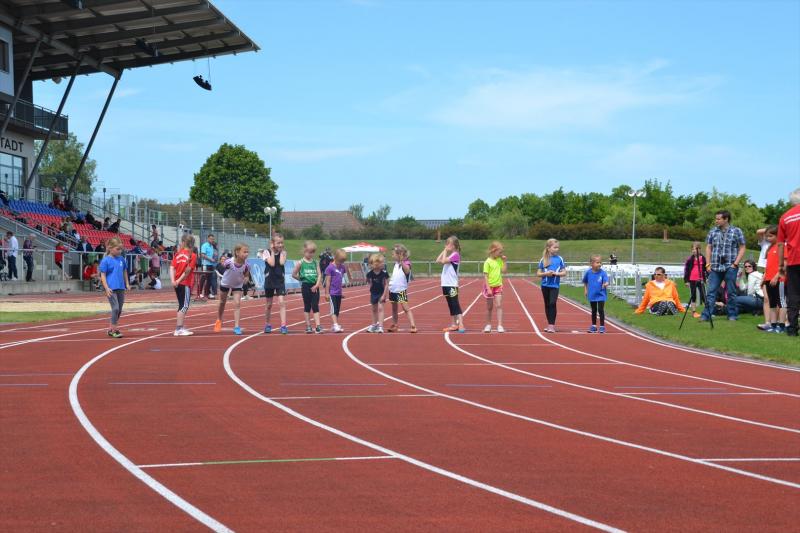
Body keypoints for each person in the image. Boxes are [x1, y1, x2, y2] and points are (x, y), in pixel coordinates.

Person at [701, 209, 746, 322]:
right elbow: (708, 247)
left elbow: (742, 247)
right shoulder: (713, 231)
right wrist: (708, 264)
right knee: (711, 292)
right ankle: (706, 315)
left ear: (726, 219)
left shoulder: (736, 231)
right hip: (715, 267)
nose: (716, 221)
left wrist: (735, 264)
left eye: (718, 219)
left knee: (731, 292)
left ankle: (732, 315)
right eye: (716, 219)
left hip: (730, 266)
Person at [214, 243, 251, 335]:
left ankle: (237, 326)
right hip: (226, 283)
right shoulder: (229, 262)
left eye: (247, 252)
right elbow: (222, 267)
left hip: (237, 285)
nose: (246, 254)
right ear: (237, 252)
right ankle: (219, 319)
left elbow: (247, 275)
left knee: (237, 303)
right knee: (222, 302)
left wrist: (246, 279)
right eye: (244, 252)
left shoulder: (247, 265)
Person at [777, 188, 800, 336]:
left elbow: (780, 244)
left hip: (793, 261)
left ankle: (792, 328)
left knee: (793, 295)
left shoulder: (785, 217)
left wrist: (780, 265)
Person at [99, 237, 129, 338]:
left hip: (121, 287)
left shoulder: (121, 259)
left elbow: (124, 271)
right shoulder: (105, 260)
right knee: (115, 308)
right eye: (118, 249)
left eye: (121, 249)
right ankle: (114, 330)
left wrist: (127, 283)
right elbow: (103, 275)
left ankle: (111, 329)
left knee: (119, 310)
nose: (120, 251)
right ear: (110, 248)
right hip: (111, 288)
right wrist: (106, 288)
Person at [293, 240, 323, 334]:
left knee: (315, 306)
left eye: (313, 252)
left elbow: (319, 274)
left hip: (315, 286)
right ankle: (308, 326)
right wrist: (302, 279)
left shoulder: (315, 262)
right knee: (307, 306)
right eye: (309, 252)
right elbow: (294, 274)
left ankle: (318, 326)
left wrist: (317, 285)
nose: (311, 254)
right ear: (304, 251)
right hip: (306, 286)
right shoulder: (300, 262)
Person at [536, 238, 566, 333]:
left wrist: (556, 274)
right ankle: (549, 324)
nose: (557, 249)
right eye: (555, 247)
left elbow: (564, 272)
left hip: (554, 286)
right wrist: (546, 274)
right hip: (545, 285)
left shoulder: (560, 259)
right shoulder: (543, 259)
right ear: (549, 248)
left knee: (553, 303)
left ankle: (552, 326)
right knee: (547, 304)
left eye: (558, 247)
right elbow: (538, 273)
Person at [170, 233, 197, 336]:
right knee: (184, 306)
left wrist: (173, 280)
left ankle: (180, 327)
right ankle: (179, 328)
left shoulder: (178, 254)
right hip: (184, 283)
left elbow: (172, 267)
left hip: (177, 283)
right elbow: (187, 271)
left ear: (183, 242)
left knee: (181, 305)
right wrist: (178, 280)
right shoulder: (192, 255)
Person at [386, 244, 416, 333]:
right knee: (394, 308)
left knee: (406, 308)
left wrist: (402, 261)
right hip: (393, 289)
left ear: (399, 254)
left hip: (401, 290)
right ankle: (395, 324)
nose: (392, 256)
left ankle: (413, 325)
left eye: (393, 254)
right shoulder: (396, 264)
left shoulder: (406, 263)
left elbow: (407, 271)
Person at [437, 236, 465, 333]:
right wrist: (444, 250)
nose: (446, 245)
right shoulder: (450, 256)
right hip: (445, 284)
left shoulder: (455, 255)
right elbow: (438, 260)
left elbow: (443, 261)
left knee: (455, 304)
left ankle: (461, 324)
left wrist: (445, 250)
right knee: (450, 305)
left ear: (453, 246)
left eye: (448, 244)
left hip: (452, 285)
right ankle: (453, 324)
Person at [263, 233, 288, 334]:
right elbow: (272, 263)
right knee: (269, 304)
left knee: (281, 302)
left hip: (279, 280)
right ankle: (267, 324)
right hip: (269, 280)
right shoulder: (266, 252)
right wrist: (272, 251)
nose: (280, 245)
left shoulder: (284, 253)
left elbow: (281, 263)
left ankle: (283, 325)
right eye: (278, 243)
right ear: (273, 243)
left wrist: (281, 252)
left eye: (282, 243)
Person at [481, 241, 507, 333]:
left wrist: (504, 261)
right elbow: (485, 276)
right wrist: (488, 288)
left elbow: (504, 271)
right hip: (489, 286)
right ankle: (488, 324)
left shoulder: (499, 260)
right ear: (493, 250)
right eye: (500, 252)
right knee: (489, 307)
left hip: (498, 286)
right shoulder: (487, 262)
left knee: (499, 305)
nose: (501, 254)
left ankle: (500, 325)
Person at [323, 248, 348, 333]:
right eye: (340, 261)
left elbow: (340, 280)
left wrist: (341, 292)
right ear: (335, 258)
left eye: (342, 261)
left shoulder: (342, 267)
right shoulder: (330, 268)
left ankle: (335, 325)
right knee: (333, 309)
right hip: (332, 292)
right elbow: (328, 281)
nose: (341, 263)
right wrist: (327, 293)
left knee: (337, 310)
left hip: (338, 293)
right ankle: (335, 324)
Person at [583, 254, 609, 333]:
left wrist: (605, 284)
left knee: (600, 310)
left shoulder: (603, 273)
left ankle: (602, 326)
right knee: (593, 310)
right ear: (591, 263)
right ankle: (594, 326)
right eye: (597, 262)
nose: (599, 264)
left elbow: (606, 281)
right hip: (592, 294)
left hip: (601, 294)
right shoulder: (588, 272)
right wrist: (586, 290)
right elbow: (585, 281)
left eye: (600, 262)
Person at [683, 242, 708, 318]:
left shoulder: (703, 258)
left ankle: (707, 312)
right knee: (693, 296)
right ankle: (694, 312)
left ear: (699, 249)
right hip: (692, 279)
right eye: (692, 249)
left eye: (696, 249)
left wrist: (707, 278)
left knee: (704, 296)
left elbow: (706, 269)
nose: (694, 251)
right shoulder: (690, 259)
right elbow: (686, 270)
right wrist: (686, 281)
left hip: (701, 279)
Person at [366, 253, 389, 333]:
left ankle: (380, 326)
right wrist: (370, 285)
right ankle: (374, 325)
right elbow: (368, 281)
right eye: (381, 262)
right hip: (373, 293)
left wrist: (384, 295)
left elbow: (386, 284)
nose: (382, 264)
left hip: (381, 293)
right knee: (374, 309)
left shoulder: (384, 273)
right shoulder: (370, 273)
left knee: (380, 308)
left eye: (382, 262)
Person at [198, 234, 218, 301]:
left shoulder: (212, 246)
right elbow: (202, 255)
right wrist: (210, 259)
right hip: (205, 264)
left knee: (209, 280)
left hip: (211, 265)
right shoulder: (204, 245)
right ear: (208, 239)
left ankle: (207, 293)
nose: (212, 240)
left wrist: (214, 259)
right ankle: (199, 293)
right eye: (211, 239)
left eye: (213, 239)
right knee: (203, 278)